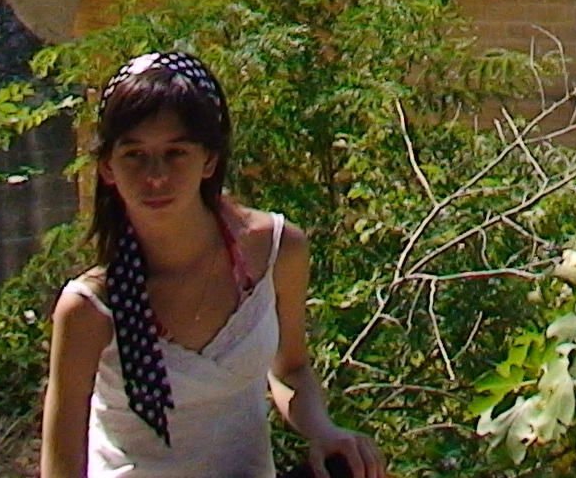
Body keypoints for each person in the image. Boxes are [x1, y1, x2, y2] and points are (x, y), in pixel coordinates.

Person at [41, 51, 387, 478]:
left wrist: (324, 431)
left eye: (176, 153)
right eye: (135, 155)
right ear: (107, 167)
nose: (155, 176)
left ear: (209, 159)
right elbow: (60, 464)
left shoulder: (277, 251)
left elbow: (291, 368)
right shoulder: (90, 307)